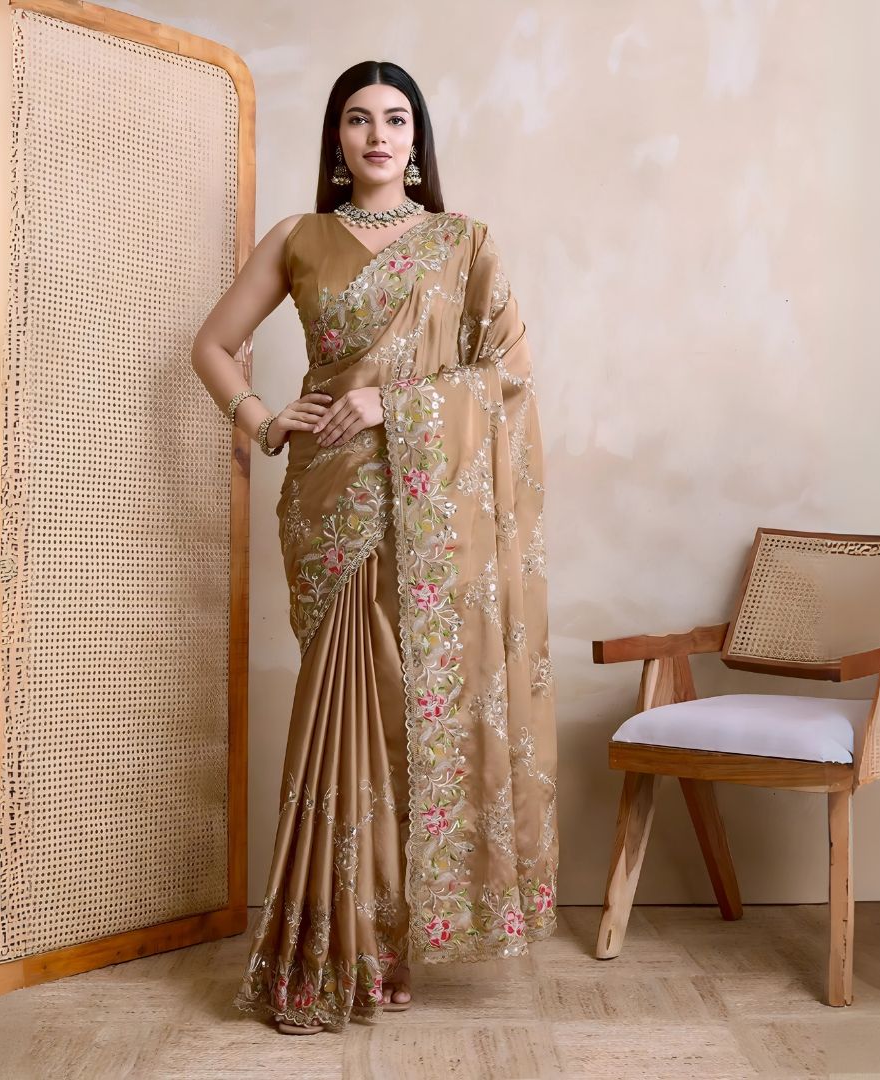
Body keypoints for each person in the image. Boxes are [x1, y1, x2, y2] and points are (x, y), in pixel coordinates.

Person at [191, 59, 557, 1035]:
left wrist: (390, 402)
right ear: (337, 139)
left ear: (417, 137)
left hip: (421, 502)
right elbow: (211, 346)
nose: (378, 136)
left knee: (402, 710)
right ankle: (334, 940)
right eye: (358, 119)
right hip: (328, 501)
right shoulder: (299, 239)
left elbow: (509, 378)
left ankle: (389, 938)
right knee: (339, 705)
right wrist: (268, 422)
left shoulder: (462, 242)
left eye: (396, 119)